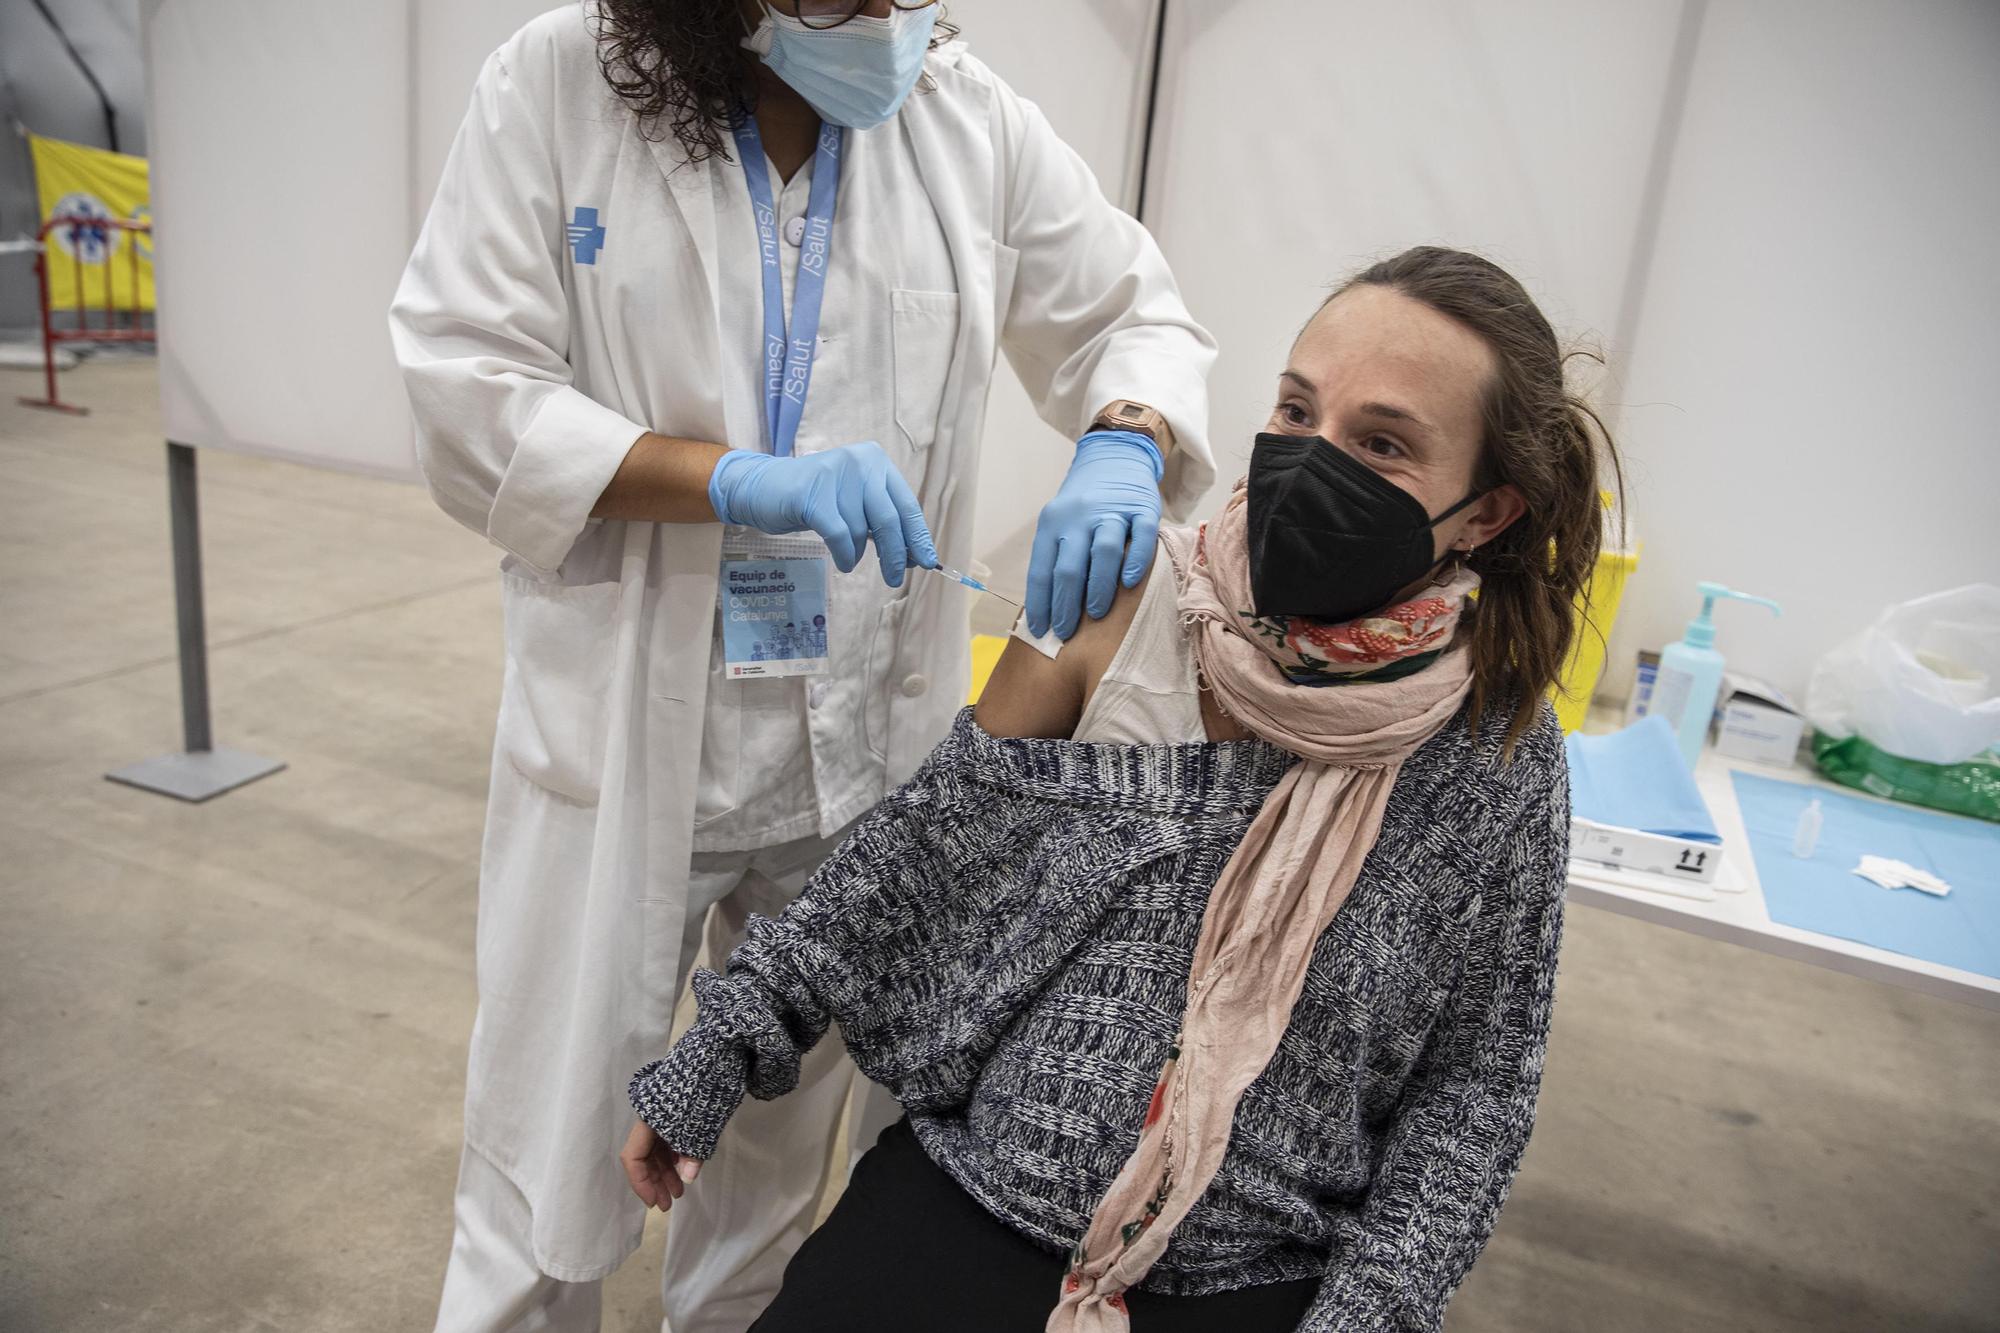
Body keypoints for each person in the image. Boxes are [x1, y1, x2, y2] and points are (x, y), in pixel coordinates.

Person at [387, 1, 1217, 1329]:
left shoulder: (962, 117)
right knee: (542, 1175)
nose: (886, 26)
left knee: (767, 1179)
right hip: (625, 746)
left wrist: (1122, 439)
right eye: (849, 2)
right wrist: (727, 475)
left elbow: (1132, 309)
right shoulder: (554, 85)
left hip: (858, 752)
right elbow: (464, 382)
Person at [623, 247, 1622, 1331]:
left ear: (1485, 513)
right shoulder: (1126, 595)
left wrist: (1368, 1312)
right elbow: (916, 852)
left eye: (1380, 444)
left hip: (1247, 1273)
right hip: (973, 1196)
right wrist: (726, 1040)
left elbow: (1473, 1090)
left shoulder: (1493, 756)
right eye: (1296, 409)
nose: (1308, 460)